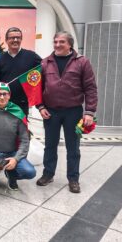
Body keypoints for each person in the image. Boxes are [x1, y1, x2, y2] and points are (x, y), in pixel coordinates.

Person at [36, 31, 98, 193]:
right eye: (55, 41)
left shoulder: (82, 62)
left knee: (73, 147)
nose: (57, 45)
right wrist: (41, 107)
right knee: (50, 145)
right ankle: (48, 174)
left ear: (70, 44)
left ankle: (73, 179)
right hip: (51, 112)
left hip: (74, 112)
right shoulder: (45, 63)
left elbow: (90, 88)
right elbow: (37, 89)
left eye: (61, 42)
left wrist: (90, 112)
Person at [0, 27, 42, 116]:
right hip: (3, 103)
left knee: (21, 129)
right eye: (12, 38)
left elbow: (43, 69)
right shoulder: (0, 59)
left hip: (22, 104)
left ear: (21, 39)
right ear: (6, 40)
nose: (15, 40)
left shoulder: (31, 56)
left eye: (18, 38)